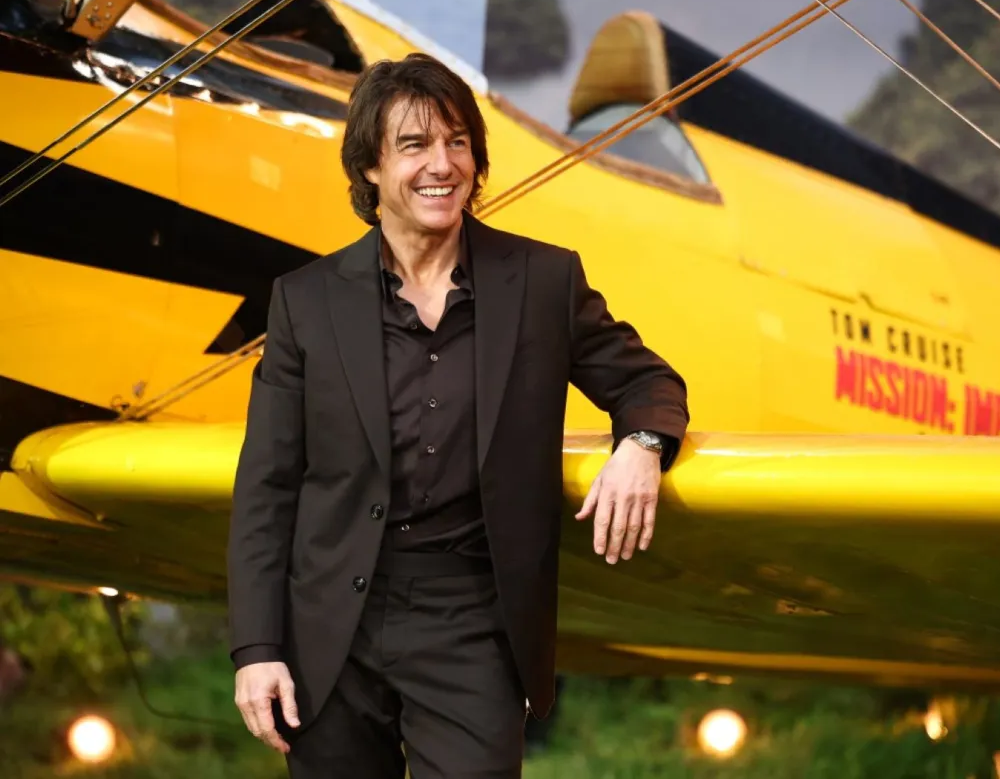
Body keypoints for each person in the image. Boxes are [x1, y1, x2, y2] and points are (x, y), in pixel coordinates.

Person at [226, 52, 689, 778]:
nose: (442, 164)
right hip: (328, 629)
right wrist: (256, 650)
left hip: (473, 617)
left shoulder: (545, 281)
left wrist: (639, 442)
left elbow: (646, 380)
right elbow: (266, 489)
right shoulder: (304, 301)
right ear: (369, 169)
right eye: (414, 145)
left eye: (458, 142)